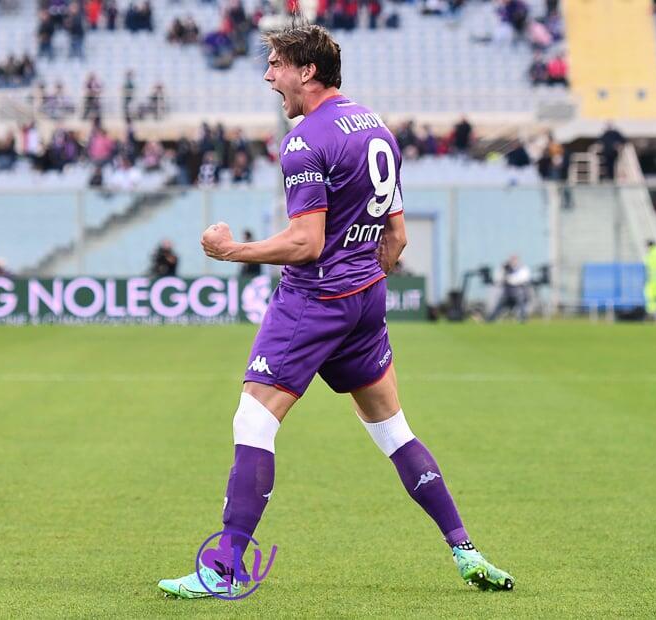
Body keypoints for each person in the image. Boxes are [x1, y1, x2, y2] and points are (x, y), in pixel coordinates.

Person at [157, 24, 514, 600]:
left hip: (313, 300)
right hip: (365, 300)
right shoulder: (377, 128)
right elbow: (396, 237)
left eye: (276, 64)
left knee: (253, 421)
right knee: (393, 430)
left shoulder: (305, 141)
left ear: (307, 71)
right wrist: (364, 281)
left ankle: (221, 571)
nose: (269, 76)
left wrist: (232, 251)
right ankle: (464, 548)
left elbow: (306, 244)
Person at [487, 255, 532, 322]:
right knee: (499, 304)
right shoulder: (505, 269)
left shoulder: (523, 269)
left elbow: (522, 279)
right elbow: (497, 279)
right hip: (507, 295)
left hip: (519, 293)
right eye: (512, 260)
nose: (514, 261)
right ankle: (490, 320)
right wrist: (503, 270)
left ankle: (523, 319)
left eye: (515, 260)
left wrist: (509, 279)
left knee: (521, 301)